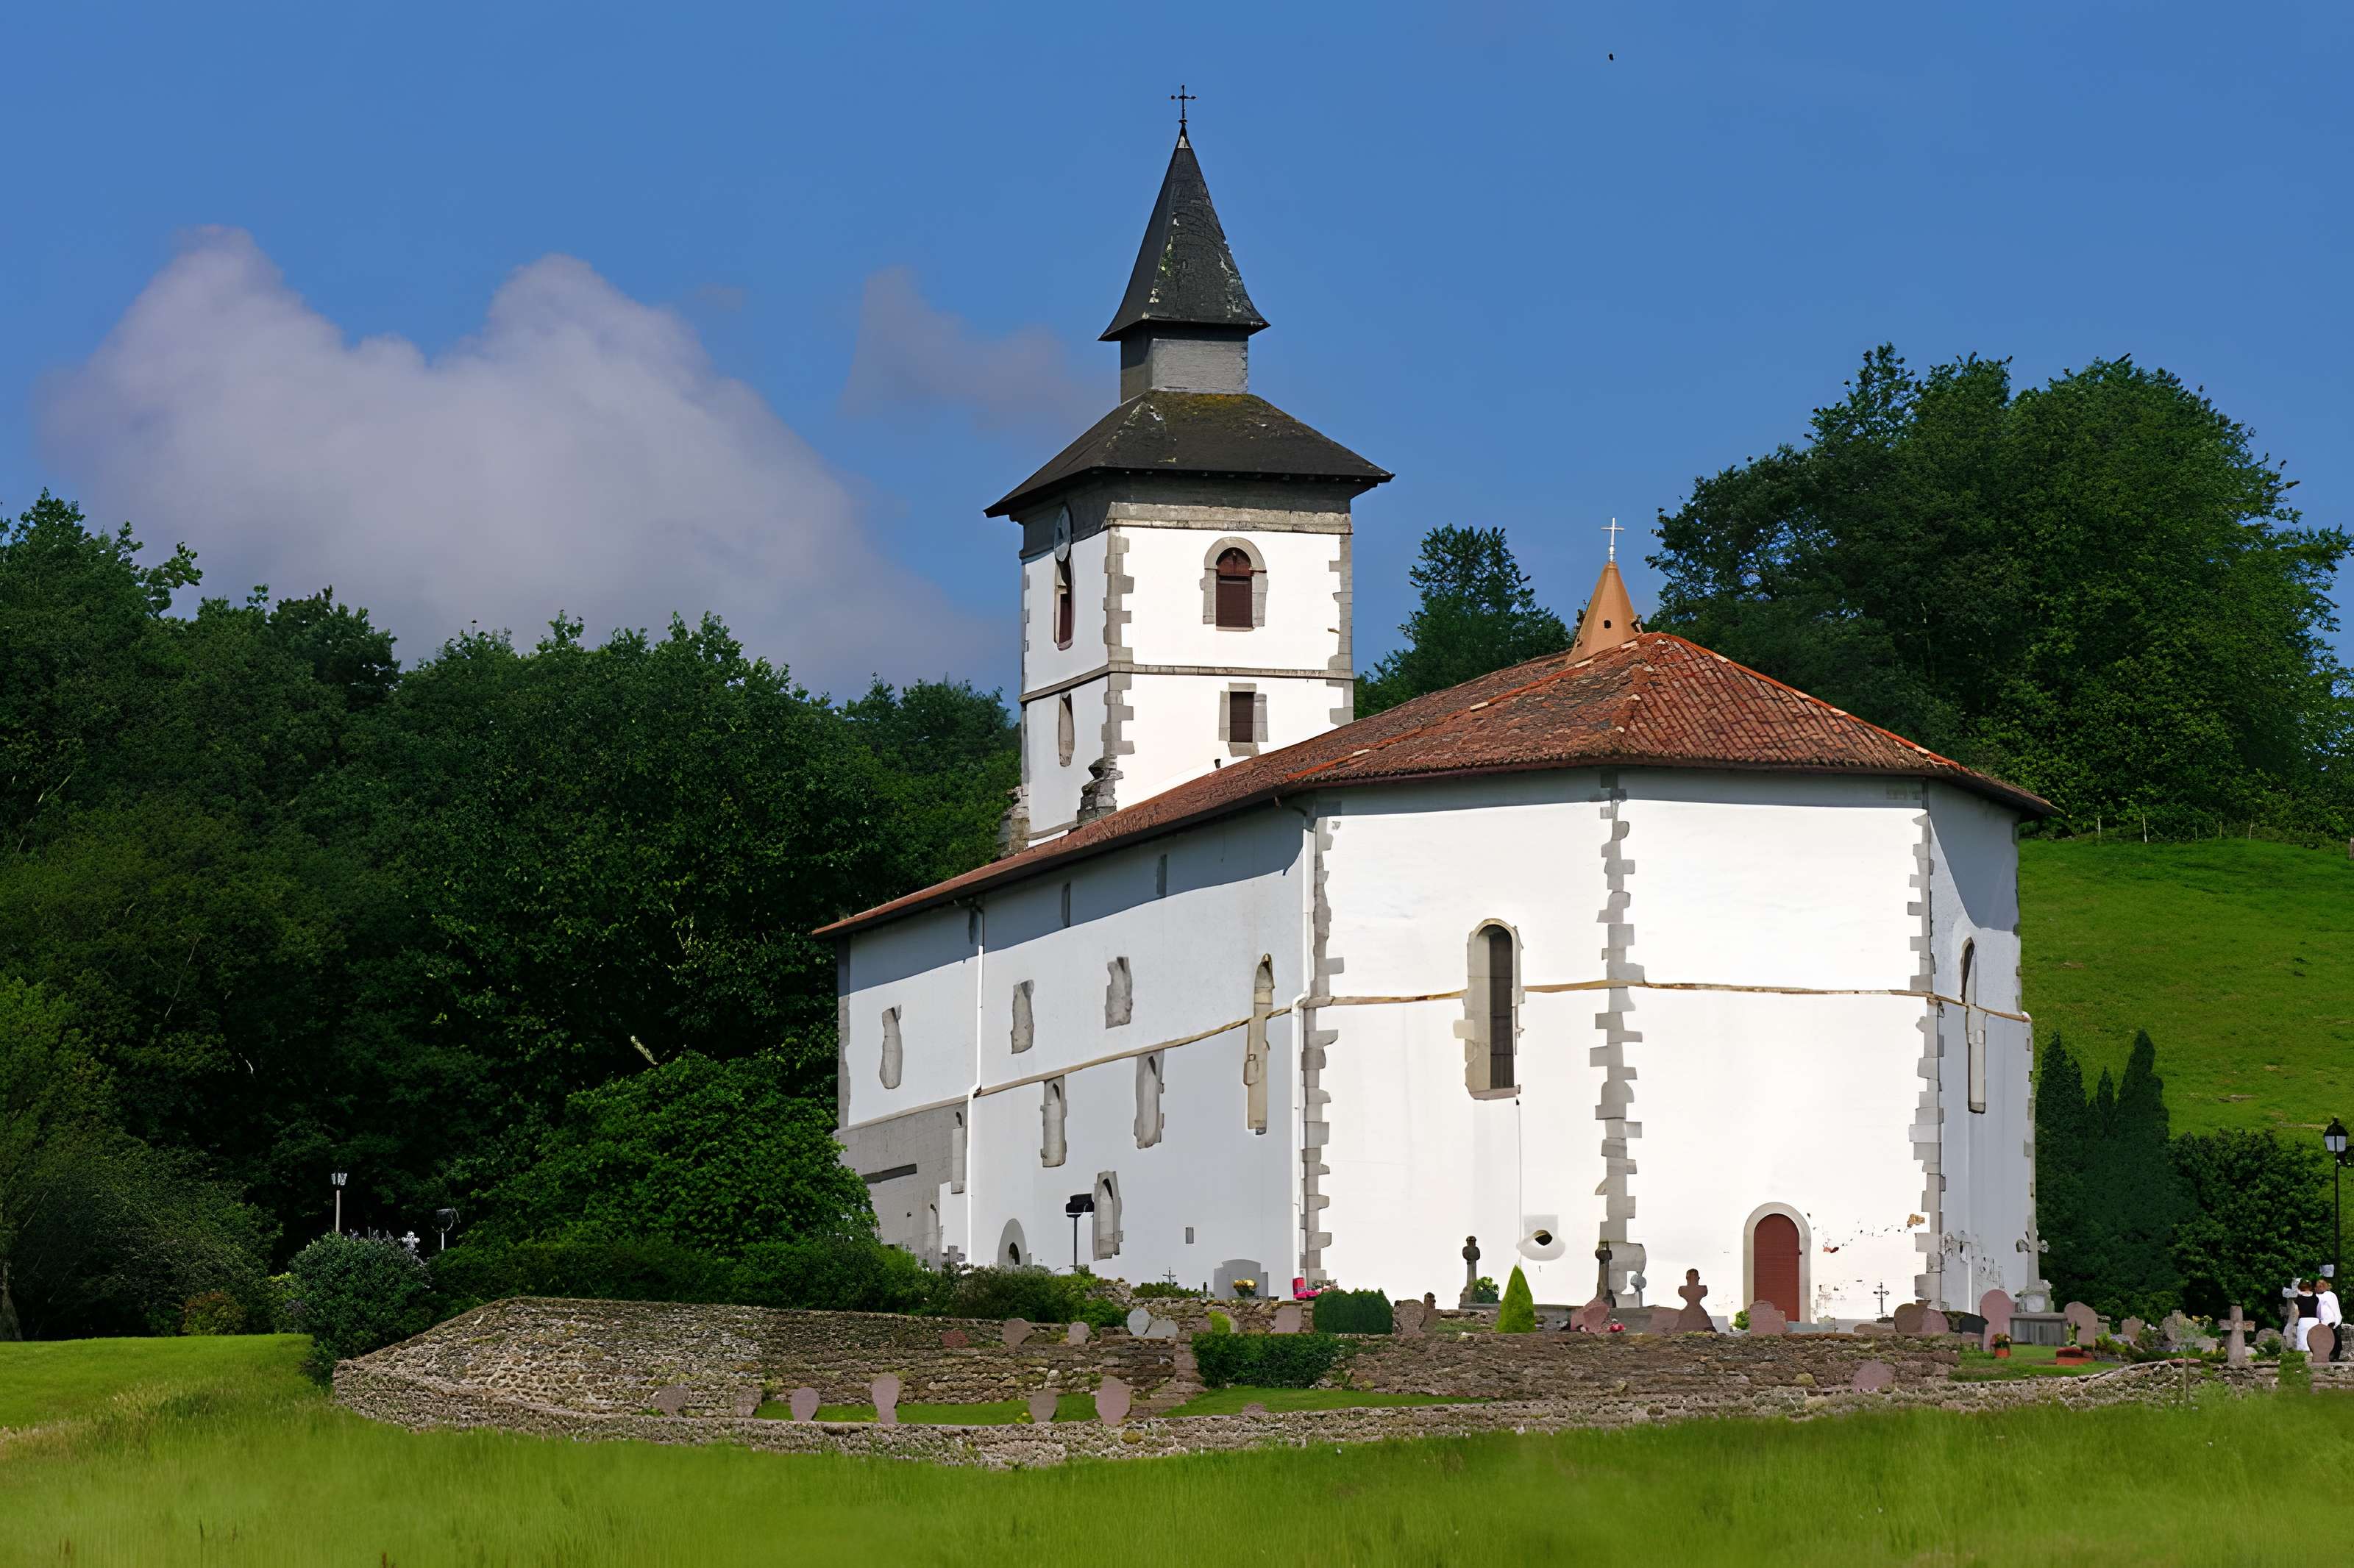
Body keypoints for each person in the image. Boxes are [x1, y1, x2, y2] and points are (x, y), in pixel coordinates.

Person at [2319, 1276, 2343, 1361]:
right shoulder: (2319, 1296)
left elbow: (2336, 1310)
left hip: (2331, 1322)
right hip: (2324, 1322)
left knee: (2334, 1340)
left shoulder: (2330, 1295)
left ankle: (2333, 1357)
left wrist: (2336, 1322)